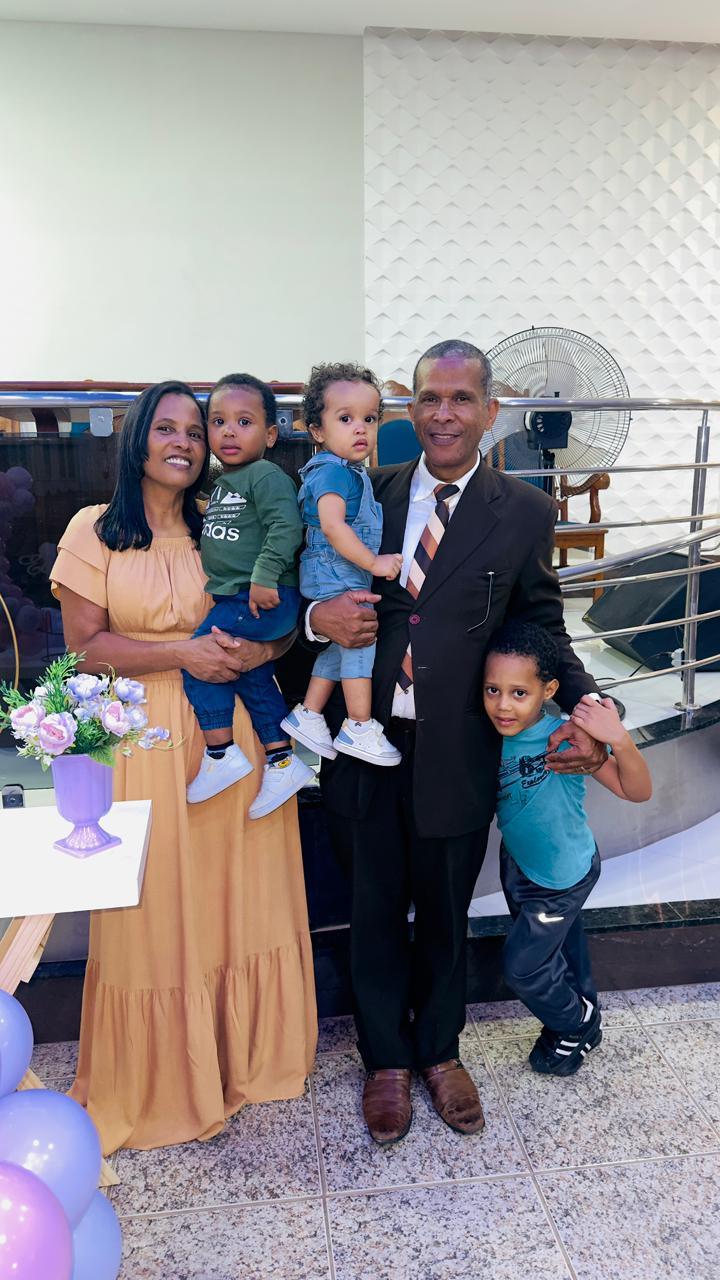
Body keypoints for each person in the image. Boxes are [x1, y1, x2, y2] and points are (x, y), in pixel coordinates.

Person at [301, 339, 606, 1146]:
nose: (444, 414)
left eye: (461, 399)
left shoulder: (525, 512)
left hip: (459, 752)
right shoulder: (364, 490)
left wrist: (589, 707)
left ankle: (439, 1052)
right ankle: (385, 1062)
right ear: (410, 408)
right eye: (429, 399)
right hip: (364, 742)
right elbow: (317, 584)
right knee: (371, 912)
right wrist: (315, 618)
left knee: (443, 913)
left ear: (490, 411)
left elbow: (542, 625)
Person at [51, 381, 317, 1154]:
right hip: (146, 741)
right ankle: (164, 1078)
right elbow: (83, 649)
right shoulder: (93, 530)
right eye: (166, 429)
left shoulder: (225, 519)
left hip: (238, 731)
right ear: (137, 439)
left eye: (195, 432)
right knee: (157, 908)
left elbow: (278, 617)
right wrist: (182, 653)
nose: (184, 443)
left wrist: (264, 651)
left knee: (244, 896)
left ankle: (250, 1059)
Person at [484, 621, 652, 1076]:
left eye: (519, 693)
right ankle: (581, 1016)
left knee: (523, 967)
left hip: (562, 877)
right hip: (519, 864)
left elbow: (637, 791)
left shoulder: (567, 738)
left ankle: (575, 1022)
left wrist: (618, 738)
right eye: (493, 690)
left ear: (549, 690)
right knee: (559, 951)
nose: (503, 704)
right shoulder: (485, 736)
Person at [182, 372, 313, 815]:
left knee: (201, 658)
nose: (229, 432)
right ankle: (281, 759)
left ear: (270, 434)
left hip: (258, 596)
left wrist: (264, 575)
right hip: (241, 597)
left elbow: (286, 526)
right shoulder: (227, 482)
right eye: (218, 422)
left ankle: (220, 752)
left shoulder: (265, 475)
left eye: (244, 422)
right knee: (252, 675)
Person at [282, 362, 403, 766]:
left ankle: (309, 713)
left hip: (338, 571)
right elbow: (333, 527)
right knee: (360, 643)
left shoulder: (350, 472)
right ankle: (359, 725)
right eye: (346, 418)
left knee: (338, 648)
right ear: (317, 431)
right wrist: (375, 562)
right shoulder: (332, 473)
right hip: (335, 570)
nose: (360, 429)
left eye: (369, 419)